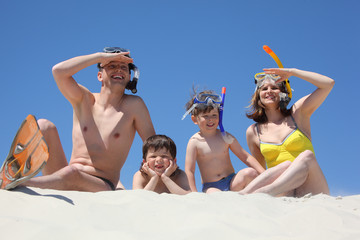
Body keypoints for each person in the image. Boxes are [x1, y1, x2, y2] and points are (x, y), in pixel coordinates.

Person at [21, 47, 155, 192]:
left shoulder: (134, 105)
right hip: (64, 175)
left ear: (129, 77)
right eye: (112, 66)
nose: (119, 70)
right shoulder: (84, 99)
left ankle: (21, 185)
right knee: (43, 125)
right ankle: (14, 171)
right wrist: (99, 57)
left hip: (102, 183)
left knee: (71, 174)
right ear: (99, 76)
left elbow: (153, 145)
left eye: (124, 67)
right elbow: (58, 71)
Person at [240, 68, 334, 197]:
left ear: (284, 92)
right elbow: (261, 171)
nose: (269, 91)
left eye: (274, 87)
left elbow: (328, 84)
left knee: (307, 156)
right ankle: (243, 195)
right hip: (283, 193)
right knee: (285, 165)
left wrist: (292, 72)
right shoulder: (253, 131)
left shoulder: (298, 113)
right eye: (264, 89)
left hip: (311, 189)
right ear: (258, 96)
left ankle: (265, 192)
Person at [183, 89, 265, 193]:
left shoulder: (225, 136)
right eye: (205, 116)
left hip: (232, 182)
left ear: (220, 116)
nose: (211, 119)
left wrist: (263, 173)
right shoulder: (194, 142)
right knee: (215, 194)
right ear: (195, 119)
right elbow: (189, 170)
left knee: (250, 173)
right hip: (211, 186)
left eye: (214, 115)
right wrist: (194, 193)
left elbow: (245, 157)